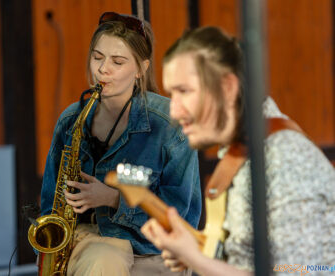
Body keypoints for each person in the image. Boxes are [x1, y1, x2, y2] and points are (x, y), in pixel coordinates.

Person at [141, 26, 335, 275]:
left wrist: (198, 260)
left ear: (227, 88)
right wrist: (197, 253)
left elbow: (299, 271)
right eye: (171, 94)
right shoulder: (243, 151)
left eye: (184, 91)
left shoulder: (283, 158)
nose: (174, 112)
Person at [40, 11, 201, 275]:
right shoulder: (71, 120)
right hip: (84, 239)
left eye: (117, 61)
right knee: (102, 260)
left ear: (141, 69)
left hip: (152, 246)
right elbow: (50, 202)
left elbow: (180, 216)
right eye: (97, 57)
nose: (103, 69)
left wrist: (114, 199)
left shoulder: (170, 125)